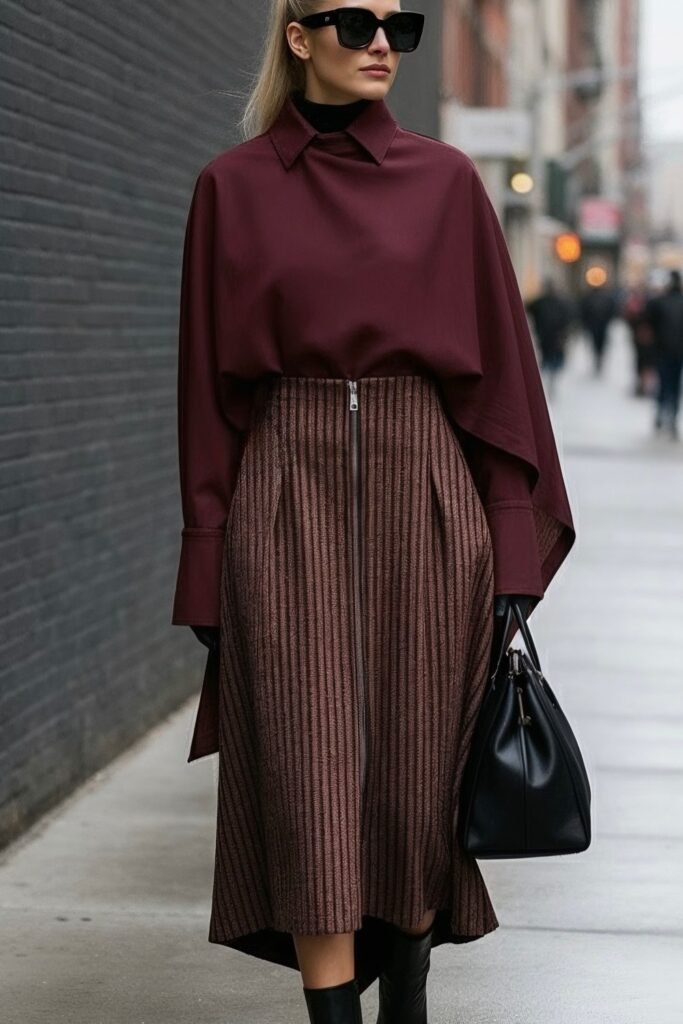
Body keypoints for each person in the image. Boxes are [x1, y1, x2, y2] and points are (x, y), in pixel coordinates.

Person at [170, 3, 575, 1022]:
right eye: (355, 22)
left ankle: (407, 993)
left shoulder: (445, 183)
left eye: (403, 23)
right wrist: (210, 553)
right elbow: (206, 398)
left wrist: (513, 551)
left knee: (414, 781)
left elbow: (501, 387)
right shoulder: (232, 188)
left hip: (428, 486)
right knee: (306, 778)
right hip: (283, 492)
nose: (383, 42)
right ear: (299, 37)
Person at [644, 269, 683, 439]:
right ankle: (671, 416)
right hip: (678, 351)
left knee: (663, 382)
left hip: (662, 350)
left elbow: (647, 326)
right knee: (674, 384)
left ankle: (661, 413)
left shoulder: (657, 302)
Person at [525, 276, 573, 396]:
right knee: (549, 356)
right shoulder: (546, 302)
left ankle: (550, 378)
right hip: (549, 335)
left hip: (551, 335)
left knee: (550, 356)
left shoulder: (556, 302)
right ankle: (549, 378)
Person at [579, 279, 619, 375]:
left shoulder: (591, 297)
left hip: (598, 325)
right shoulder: (595, 298)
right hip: (597, 325)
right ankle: (598, 359)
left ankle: (599, 359)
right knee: (598, 344)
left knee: (598, 344)